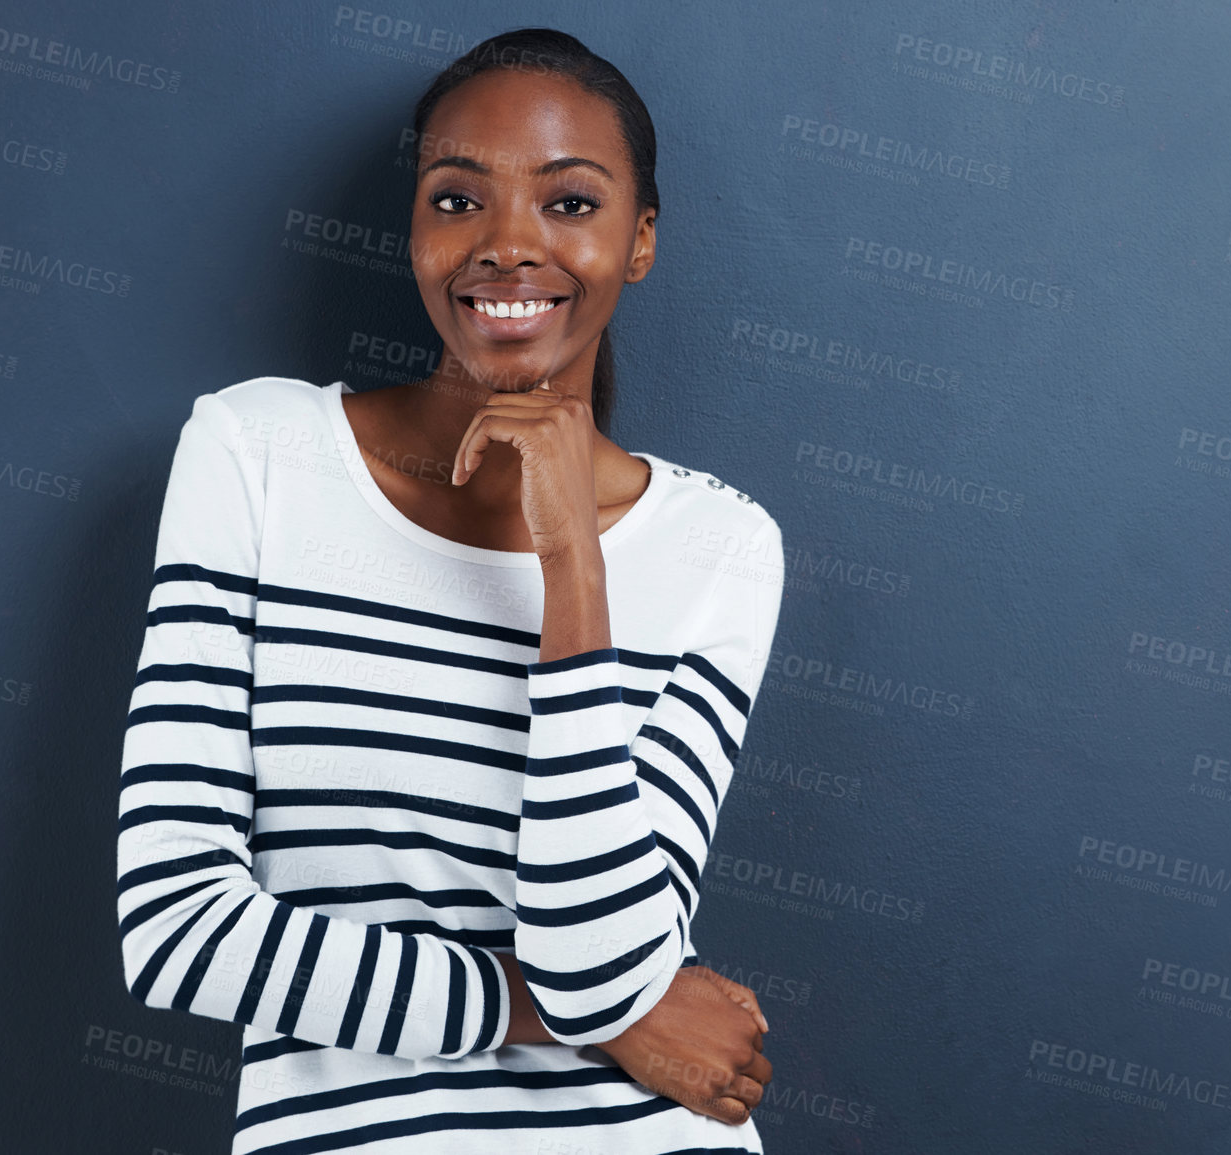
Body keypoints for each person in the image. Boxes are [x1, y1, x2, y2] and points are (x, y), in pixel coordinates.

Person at [115, 27, 783, 1154]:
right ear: (418, 230)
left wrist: (575, 564)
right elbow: (178, 935)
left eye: (571, 204)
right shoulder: (256, 453)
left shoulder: (720, 543)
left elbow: (599, 958)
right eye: (458, 199)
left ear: (641, 242)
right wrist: (619, 1024)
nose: (509, 246)